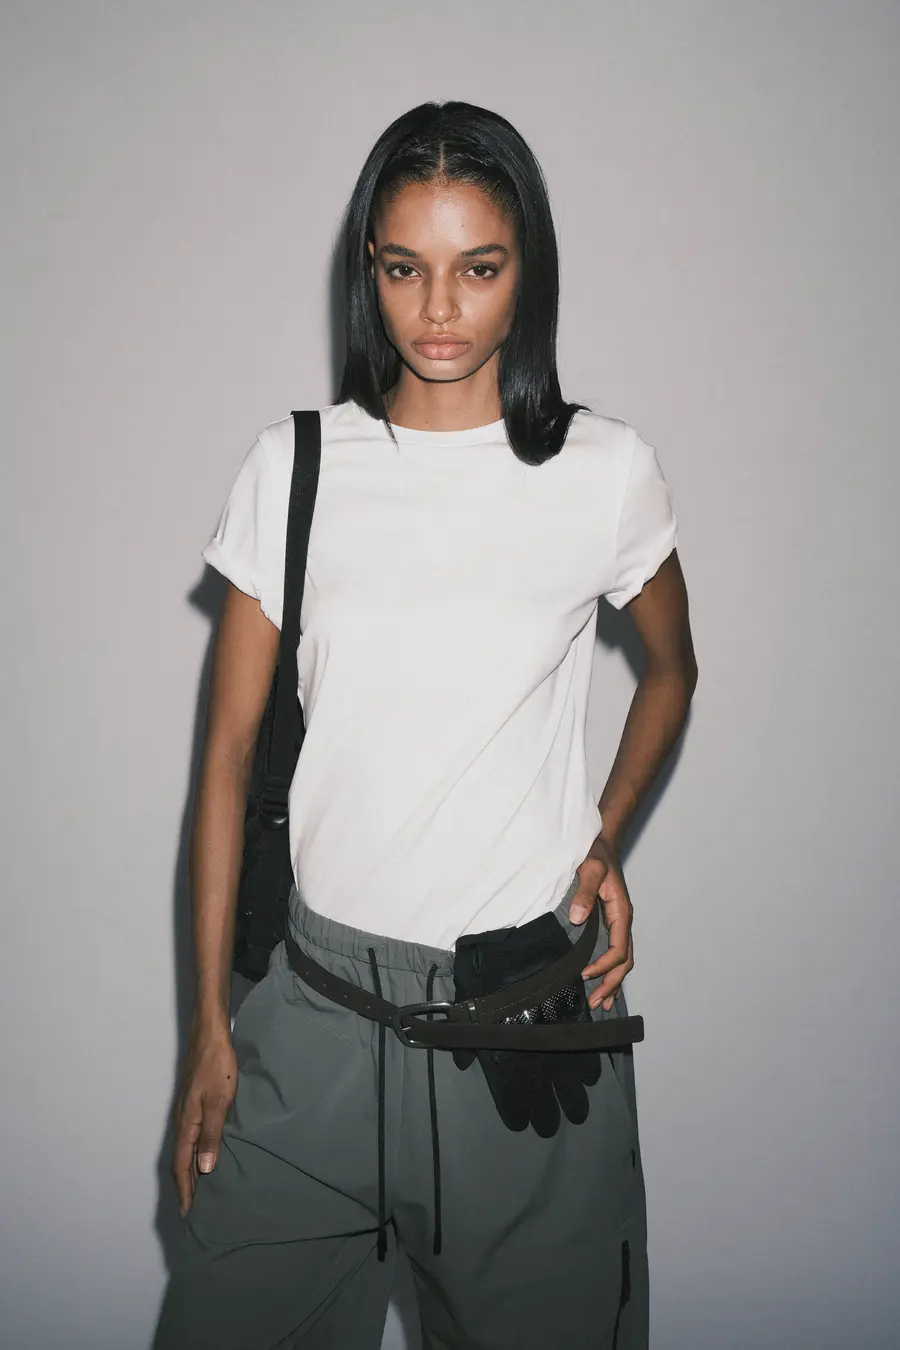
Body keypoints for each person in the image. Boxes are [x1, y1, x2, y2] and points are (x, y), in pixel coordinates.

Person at [154, 100, 698, 1350]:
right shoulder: (295, 467)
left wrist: (603, 839)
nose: (439, 309)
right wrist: (209, 1035)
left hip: (524, 1036)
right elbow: (224, 762)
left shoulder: (606, 471)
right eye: (405, 269)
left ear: (527, 273)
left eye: (478, 269)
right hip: (313, 1024)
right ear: (370, 273)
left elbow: (672, 670)